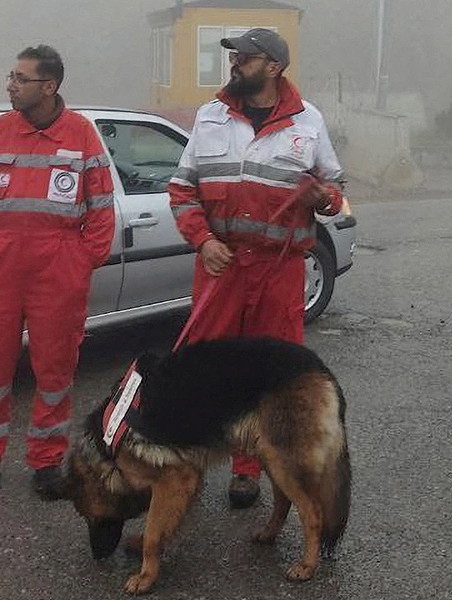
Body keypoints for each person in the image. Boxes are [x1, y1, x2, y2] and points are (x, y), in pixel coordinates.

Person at [168, 28, 344, 508]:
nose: (235, 63)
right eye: (235, 56)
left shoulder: (308, 122)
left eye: (245, 57)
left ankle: (249, 470)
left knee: (270, 374)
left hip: (279, 270)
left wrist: (322, 197)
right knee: (207, 369)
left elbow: (336, 193)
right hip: (221, 266)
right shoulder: (210, 116)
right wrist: (202, 241)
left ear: (274, 66)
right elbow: (182, 189)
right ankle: (191, 465)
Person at [0, 45, 115, 499]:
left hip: (57, 266)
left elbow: (101, 208)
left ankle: (46, 460)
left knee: (55, 369)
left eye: (20, 79)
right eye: (11, 76)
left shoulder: (81, 134)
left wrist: (82, 261)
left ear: (49, 86)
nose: (10, 85)